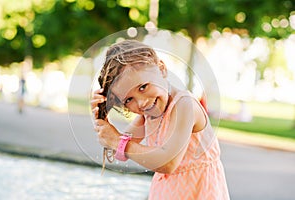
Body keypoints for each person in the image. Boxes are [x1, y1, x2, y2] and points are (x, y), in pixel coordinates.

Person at [91, 40, 230, 199]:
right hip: (166, 192)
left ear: (161, 69)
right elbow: (120, 152)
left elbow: (168, 162)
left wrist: (116, 140)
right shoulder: (148, 114)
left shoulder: (185, 105)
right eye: (129, 100)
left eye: (143, 87)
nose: (141, 102)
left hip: (200, 193)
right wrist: (103, 120)